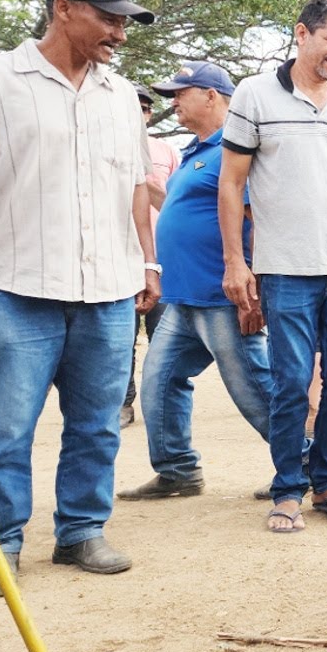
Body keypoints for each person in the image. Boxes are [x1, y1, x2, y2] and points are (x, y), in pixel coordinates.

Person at [0, 0, 158, 597]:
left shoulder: (120, 95)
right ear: (64, 8)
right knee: (6, 425)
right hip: (16, 284)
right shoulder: (0, 78)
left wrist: (148, 262)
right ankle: (1, 541)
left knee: (97, 422)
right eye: (108, 18)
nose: (119, 32)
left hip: (109, 289)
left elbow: (136, 185)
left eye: (123, 21)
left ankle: (81, 531)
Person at [219, 0, 327, 533]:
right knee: (292, 381)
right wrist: (235, 261)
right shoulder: (253, 94)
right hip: (285, 269)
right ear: (302, 34)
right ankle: (287, 488)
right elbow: (232, 181)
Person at [115, 61, 284, 502]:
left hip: (221, 294)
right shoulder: (195, 151)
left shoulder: (236, 150)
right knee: (159, 380)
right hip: (184, 298)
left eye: (180, 93)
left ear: (211, 95)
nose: (173, 102)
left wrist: (256, 285)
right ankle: (177, 471)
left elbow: (259, 221)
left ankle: (304, 462)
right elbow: (174, 203)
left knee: (254, 388)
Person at [121, 84, 181, 427]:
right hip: (121, 258)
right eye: (134, 106)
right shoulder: (102, 146)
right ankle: (123, 404)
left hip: (162, 258)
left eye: (145, 108)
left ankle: (160, 406)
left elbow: (175, 200)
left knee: (164, 339)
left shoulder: (165, 151)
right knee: (121, 339)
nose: (140, 112)